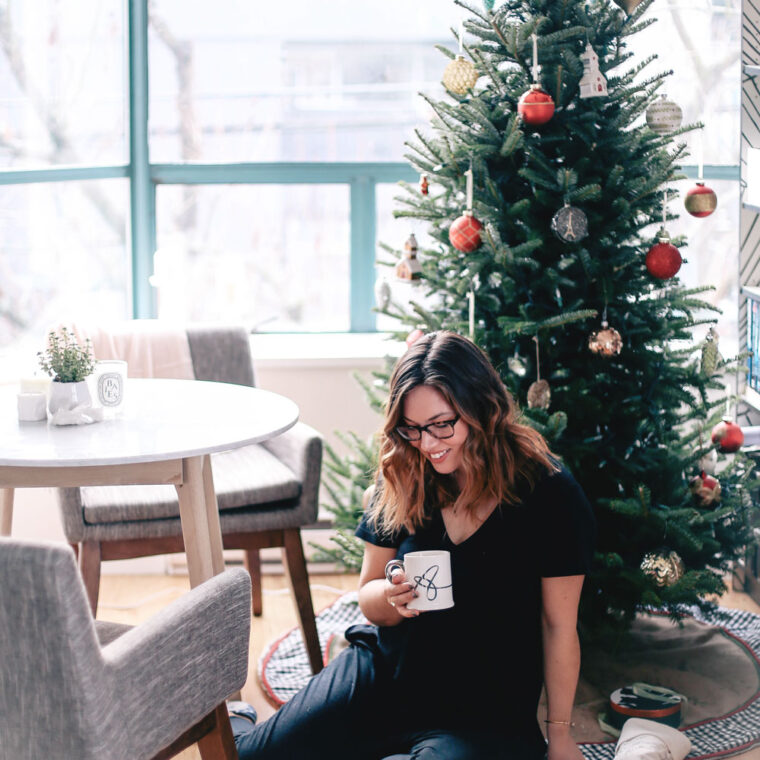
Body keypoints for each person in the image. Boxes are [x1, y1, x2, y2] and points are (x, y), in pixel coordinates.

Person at [230, 330, 596, 760]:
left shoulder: (548, 492)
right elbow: (368, 597)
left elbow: (558, 626)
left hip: (481, 712)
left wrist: (560, 735)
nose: (428, 445)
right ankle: (244, 726)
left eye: (442, 425)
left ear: (481, 406)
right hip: (385, 675)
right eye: (413, 429)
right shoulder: (407, 470)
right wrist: (390, 597)